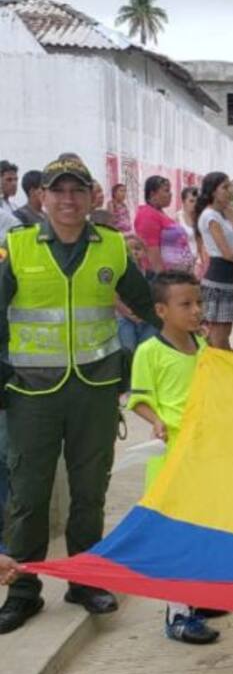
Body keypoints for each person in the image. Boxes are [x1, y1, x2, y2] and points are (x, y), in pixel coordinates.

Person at [0, 156, 158, 634]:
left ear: (92, 197)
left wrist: (190, 346)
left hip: (94, 389)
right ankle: (24, 590)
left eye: (78, 191)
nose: (68, 200)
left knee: (90, 491)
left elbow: (147, 303)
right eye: (58, 191)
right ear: (42, 197)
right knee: (29, 493)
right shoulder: (17, 247)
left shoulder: (111, 247)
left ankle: (84, 581)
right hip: (32, 393)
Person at [127, 270, 220, 645]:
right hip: (173, 458)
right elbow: (140, 398)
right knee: (176, 536)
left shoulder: (204, 348)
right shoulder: (150, 352)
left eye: (199, 303)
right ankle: (177, 614)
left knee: (203, 529)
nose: (196, 310)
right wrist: (157, 422)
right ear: (162, 310)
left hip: (205, 454)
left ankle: (197, 599)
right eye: (186, 304)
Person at [194, 172, 233, 350]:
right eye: (225, 187)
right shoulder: (210, 216)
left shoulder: (224, 216)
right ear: (213, 192)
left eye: (229, 186)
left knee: (224, 335)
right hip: (218, 282)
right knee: (219, 339)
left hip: (229, 281)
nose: (229, 191)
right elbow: (227, 253)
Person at [135, 175, 193, 274]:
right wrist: (163, 278)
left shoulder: (159, 213)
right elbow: (152, 251)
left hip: (176, 275)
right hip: (161, 277)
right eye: (166, 191)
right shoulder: (147, 214)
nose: (171, 194)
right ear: (153, 194)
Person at [116, 234, 157, 353]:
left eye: (137, 248)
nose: (134, 252)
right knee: (129, 350)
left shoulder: (151, 275)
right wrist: (129, 313)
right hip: (125, 319)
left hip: (148, 320)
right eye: (128, 250)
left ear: (144, 251)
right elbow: (115, 298)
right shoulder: (119, 275)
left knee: (147, 351)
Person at [178, 185, 202, 277]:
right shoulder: (178, 218)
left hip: (199, 262)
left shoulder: (201, 218)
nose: (195, 204)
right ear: (184, 202)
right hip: (183, 263)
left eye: (197, 201)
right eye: (191, 201)